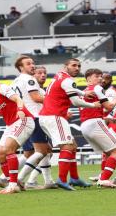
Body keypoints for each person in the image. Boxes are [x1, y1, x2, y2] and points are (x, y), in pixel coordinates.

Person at [38, 58, 101, 190]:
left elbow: (65, 89)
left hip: (47, 116)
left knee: (72, 145)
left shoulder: (59, 76)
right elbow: (76, 102)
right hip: (54, 116)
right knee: (67, 146)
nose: (77, 68)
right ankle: (62, 179)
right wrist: (92, 105)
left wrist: (83, 93)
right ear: (65, 66)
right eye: (73, 65)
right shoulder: (68, 80)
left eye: (79, 66)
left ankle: (75, 178)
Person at [4, 57, 56, 190]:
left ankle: (47, 181)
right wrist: (56, 101)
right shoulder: (29, 79)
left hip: (23, 119)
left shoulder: (15, 81)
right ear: (21, 67)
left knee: (38, 151)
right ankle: (20, 179)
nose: (32, 66)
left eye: (33, 63)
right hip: (35, 117)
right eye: (28, 64)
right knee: (42, 151)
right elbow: (36, 98)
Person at [80, 68, 116, 188]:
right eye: (97, 76)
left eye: (100, 76)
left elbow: (90, 112)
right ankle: (104, 179)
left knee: (109, 152)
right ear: (88, 78)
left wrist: (108, 119)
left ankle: (102, 176)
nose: (100, 79)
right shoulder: (97, 88)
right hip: (95, 124)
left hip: (85, 126)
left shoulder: (85, 91)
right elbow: (109, 106)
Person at [24, 66, 56, 189]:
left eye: (44, 73)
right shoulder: (32, 89)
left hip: (37, 122)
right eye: (39, 73)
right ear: (33, 75)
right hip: (32, 122)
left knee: (46, 152)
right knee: (36, 153)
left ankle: (40, 181)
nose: (43, 75)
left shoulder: (42, 91)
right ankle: (10, 178)